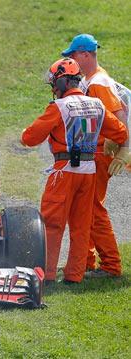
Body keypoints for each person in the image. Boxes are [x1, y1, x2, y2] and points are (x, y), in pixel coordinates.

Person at [21, 58, 127, 284]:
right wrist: (109, 141)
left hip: (64, 171)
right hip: (88, 172)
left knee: (52, 223)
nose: (52, 88)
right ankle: (75, 275)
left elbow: (29, 138)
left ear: (62, 82)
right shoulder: (97, 105)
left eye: (54, 84)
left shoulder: (58, 107)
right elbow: (121, 131)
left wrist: (25, 133)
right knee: (81, 226)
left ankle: (47, 273)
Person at [61, 34, 131, 278]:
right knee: (85, 207)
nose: (70, 60)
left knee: (93, 208)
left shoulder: (98, 82)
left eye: (72, 55)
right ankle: (86, 260)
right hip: (96, 151)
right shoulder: (94, 79)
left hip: (101, 153)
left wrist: (123, 149)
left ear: (85, 55)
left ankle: (111, 266)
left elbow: (119, 116)